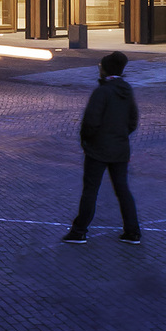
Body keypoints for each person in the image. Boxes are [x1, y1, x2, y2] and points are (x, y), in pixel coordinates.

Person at [62, 50, 141, 242]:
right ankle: (132, 231)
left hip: (98, 149)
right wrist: (121, 135)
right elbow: (133, 120)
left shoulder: (102, 92)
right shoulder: (126, 90)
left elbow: (90, 122)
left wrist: (87, 141)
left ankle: (79, 231)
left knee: (90, 190)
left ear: (105, 70)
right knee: (122, 189)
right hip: (120, 148)